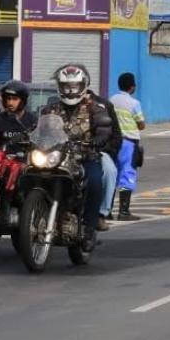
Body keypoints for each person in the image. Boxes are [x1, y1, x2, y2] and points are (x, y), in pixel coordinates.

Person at [40, 64, 114, 243]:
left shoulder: (95, 107)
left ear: (83, 86)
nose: (70, 90)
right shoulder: (51, 107)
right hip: (56, 158)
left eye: (74, 86)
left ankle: (89, 227)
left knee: (96, 182)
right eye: (66, 86)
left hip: (85, 157)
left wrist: (96, 141)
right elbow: (39, 129)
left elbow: (104, 129)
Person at [111, 72, 147, 221]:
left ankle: (105, 210)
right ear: (132, 87)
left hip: (112, 142)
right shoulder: (134, 103)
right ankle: (124, 211)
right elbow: (141, 124)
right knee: (127, 174)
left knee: (112, 174)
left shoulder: (111, 100)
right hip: (129, 143)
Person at [90, 86, 125, 231]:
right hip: (62, 152)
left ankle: (101, 213)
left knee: (110, 171)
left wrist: (105, 149)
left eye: (75, 85)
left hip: (93, 151)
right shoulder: (56, 106)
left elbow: (116, 135)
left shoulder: (102, 105)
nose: (71, 90)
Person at [0, 80, 38, 149]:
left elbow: (41, 140)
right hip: (4, 157)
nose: (10, 103)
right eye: (8, 99)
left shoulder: (32, 120)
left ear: (22, 100)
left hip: (27, 158)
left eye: (15, 99)